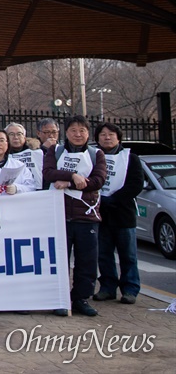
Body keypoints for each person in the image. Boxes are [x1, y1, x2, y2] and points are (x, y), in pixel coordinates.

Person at [43, 115, 107, 317]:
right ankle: (60, 299)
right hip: (59, 214)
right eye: (73, 130)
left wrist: (70, 184)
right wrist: (72, 175)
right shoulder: (56, 151)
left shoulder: (97, 154)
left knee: (86, 261)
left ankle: (81, 298)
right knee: (59, 260)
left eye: (82, 130)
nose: (78, 134)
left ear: (88, 133)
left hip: (86, 215)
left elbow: (98, 180)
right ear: (66, 133)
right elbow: (48, 173)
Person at [93, 123, 144, 305]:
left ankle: (130, 289)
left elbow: (136, 184)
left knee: (128, 255)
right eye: (103, 134)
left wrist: (114, 199)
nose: (107, 137)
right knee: (104, 254)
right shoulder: (91, 157)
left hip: (123, 213)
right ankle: (107, 288)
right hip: (100, 213)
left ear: (118, 137)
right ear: (97, 138)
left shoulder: (131, 158)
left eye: (111, 134)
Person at [6, 122, 43, 189]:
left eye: (19, 134)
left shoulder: (36, 151)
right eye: (11, 134)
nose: (16, 137)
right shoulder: (1, 154)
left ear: (24, 137)